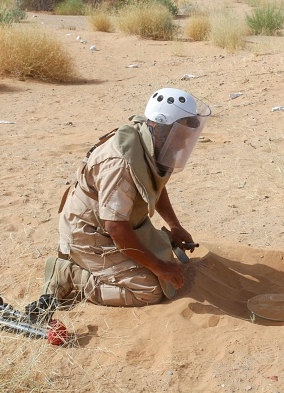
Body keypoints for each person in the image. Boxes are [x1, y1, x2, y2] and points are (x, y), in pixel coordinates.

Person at [26, 88, 211, 320]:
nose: (184, 140)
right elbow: (115, 227)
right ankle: (69, 274)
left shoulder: (151, 141)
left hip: (121, 224)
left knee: (165, 267)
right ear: (159, 126)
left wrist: (174, 225)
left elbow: (154, 184)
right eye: (180, 132)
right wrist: (157, 267)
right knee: (149, 289)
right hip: (90, 233)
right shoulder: (119, 163)